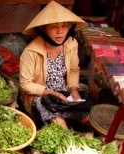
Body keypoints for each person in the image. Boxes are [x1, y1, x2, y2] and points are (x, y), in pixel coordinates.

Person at [19, 1, 89, 129]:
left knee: (87, 119)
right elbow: (25, 84)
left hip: (63, 90)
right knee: (60, 124)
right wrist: (49, 92)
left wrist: (73, 89)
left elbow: (74, 69)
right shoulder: (31, 52)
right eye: (53, 27)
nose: (60, 32)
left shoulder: (71, 44)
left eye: (65, 26)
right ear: (44, 29)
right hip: (40, 95)